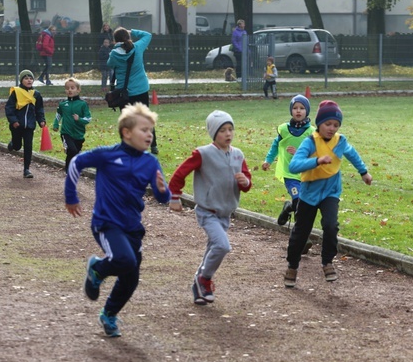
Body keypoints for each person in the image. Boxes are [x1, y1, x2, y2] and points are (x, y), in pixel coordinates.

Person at [65, 103, 170, 337]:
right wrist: (71, 196)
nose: (149, 134)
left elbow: (163, 197)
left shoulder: (150, 162)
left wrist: (163, 191)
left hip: (132, 227)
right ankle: (97, 269)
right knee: (123, 259)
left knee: (131, 277)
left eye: (151, 130)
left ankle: (109, 314)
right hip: (106, 222)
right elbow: (75, 162)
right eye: (144, 129)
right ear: (126, 132)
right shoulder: (108, 156)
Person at [283, 100, 372, 288]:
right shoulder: (310, 142)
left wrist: (363, 172)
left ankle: (327, 262)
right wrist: (316, 161)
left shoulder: (340, 141)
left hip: (331, 191)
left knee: (331, 225)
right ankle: (292, 265)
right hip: (309, 193)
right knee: (301, 232)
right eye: (328, 124)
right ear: (319, 124)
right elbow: (294, 165)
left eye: (336, 125)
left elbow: (352, 154)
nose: (332, 128)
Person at [168, 110, 253, 306]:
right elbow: (180, 174)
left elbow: (247, 186)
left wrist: (244, 181)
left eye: (230, 129)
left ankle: (199, 285)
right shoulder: (203, 154)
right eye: (222, 130)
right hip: (207, 212)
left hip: (226, 213)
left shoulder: (238, 155)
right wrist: (174, 197)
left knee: (213, 247)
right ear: (214, 133)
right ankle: (204, 279)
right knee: (222, 246)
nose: (228, 134)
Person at [262, 94, 315, 225]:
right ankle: (301, 237)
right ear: (291, 110)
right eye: (295, 108)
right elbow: (275, 145)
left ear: (307, 111)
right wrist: (268, 160)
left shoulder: (312, 132)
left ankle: (287, 208)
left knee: (303, 204)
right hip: (290, 173)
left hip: (305, 174)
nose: (298, 110)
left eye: (302, 108)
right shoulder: (284, 129)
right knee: (298, 201)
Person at [108, 27, 159, 155]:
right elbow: (148, 34)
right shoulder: (137, 47)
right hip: (141, 89)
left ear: (115, 41)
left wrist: (115, 48)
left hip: (125, 92)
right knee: (145, 118)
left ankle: (129, 145)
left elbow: (109, 64)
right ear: (128, 37)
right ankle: (153, 145)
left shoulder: (114, 54)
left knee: (127, 120)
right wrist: (132, 31)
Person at [5, 69, 47, 179]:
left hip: (29, 125)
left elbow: (39, 109)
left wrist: (41, 120)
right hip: (17, 125)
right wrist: (13, 121)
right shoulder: (16, 92)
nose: (29, 80)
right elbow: (9, 108)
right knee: (17, 146)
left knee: (28, 146)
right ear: (21, 80)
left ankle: (26, 169)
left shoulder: (36, 94)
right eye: (26, 78)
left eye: (31, 78)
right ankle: (13, 143)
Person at [53, 77, 92, 172]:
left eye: (72, 88)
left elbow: (88, 118)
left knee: (74, 152)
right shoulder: (63, 104)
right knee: (73, 150)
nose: (69, 90)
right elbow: (59, 114)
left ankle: (72, 166)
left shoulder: (83, 104)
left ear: (78, 90)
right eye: (67, 88)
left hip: (79, 134)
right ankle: (68, 170)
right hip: (66, 132)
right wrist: (56, 124)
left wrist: (79, 119)